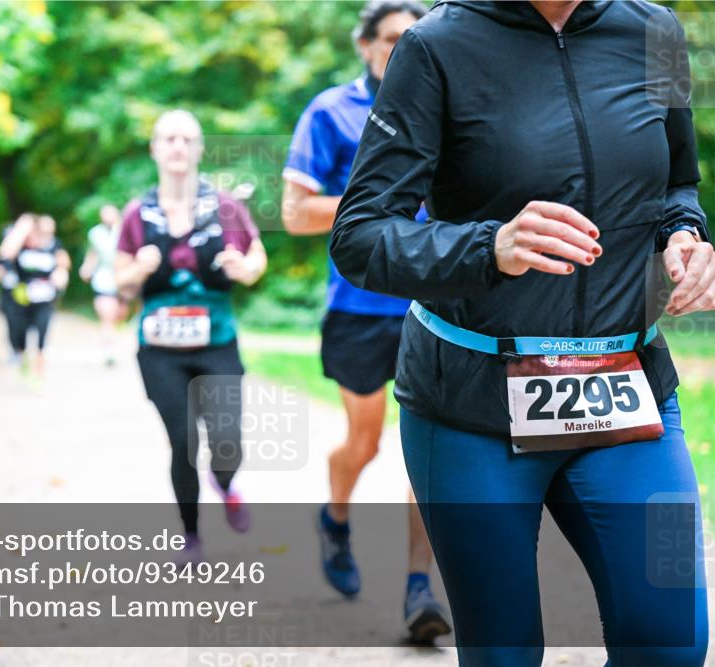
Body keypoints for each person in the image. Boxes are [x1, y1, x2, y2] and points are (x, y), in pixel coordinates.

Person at [331, 1, 712, 665]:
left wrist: (684, 235)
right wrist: (491, 246)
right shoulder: (435, 46)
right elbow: (360, 235)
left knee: (671, 641)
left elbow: (676, 184)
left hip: (624, 389)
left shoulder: (654, 32)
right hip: (470, 407)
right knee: (503, 652)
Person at [281, 0, 450, 643]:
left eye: (414, 39)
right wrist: (382, 204)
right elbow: (295, 214)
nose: (400, 50)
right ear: (364, 45)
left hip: (433, 304)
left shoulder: (447, 106)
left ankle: (418, 588)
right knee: (367, 441)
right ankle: (335, 516)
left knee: (426, 452)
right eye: (389, 40)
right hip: (358, 308)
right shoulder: (331, 112)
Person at [115, 109, 268, 563]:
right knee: (183, 440)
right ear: (155, 149)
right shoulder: (137, 214)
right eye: (169, 139)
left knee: (226, 441)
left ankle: (226, 483)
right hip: (160, 350)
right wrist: (136, 270)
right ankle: (191, 536)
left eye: (187, 139)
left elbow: (257, 258)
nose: (178, 147)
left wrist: (246, 269)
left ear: (199, 149)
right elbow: (118, 281)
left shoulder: (226, 208)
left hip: (216, 341)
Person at [0, 213, 71, 376]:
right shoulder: (19, 246)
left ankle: (39, 373)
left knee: (42, 334)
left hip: (45, 298)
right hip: (21, 298)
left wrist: (61, 274)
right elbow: (4, 253)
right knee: (19, 333)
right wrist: (22, 227)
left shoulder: (53, 245)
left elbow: (63, 264)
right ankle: (23, 360)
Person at [79, 204, 129, 366]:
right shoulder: (95, 234)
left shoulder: (125, 229)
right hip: (104, 278)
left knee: (120, 313)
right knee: (107, 315)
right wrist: (87, 268)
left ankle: (114, 340)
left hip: (124, 278)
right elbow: (92, 254)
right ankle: (109, 350)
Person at [0, 222, 25, 364]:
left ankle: (23, 349)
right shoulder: (1, 255)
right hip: (7, 292)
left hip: (24, 292)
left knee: (23, 322)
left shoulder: (26, 254)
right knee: (12, 322)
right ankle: (15, 350)